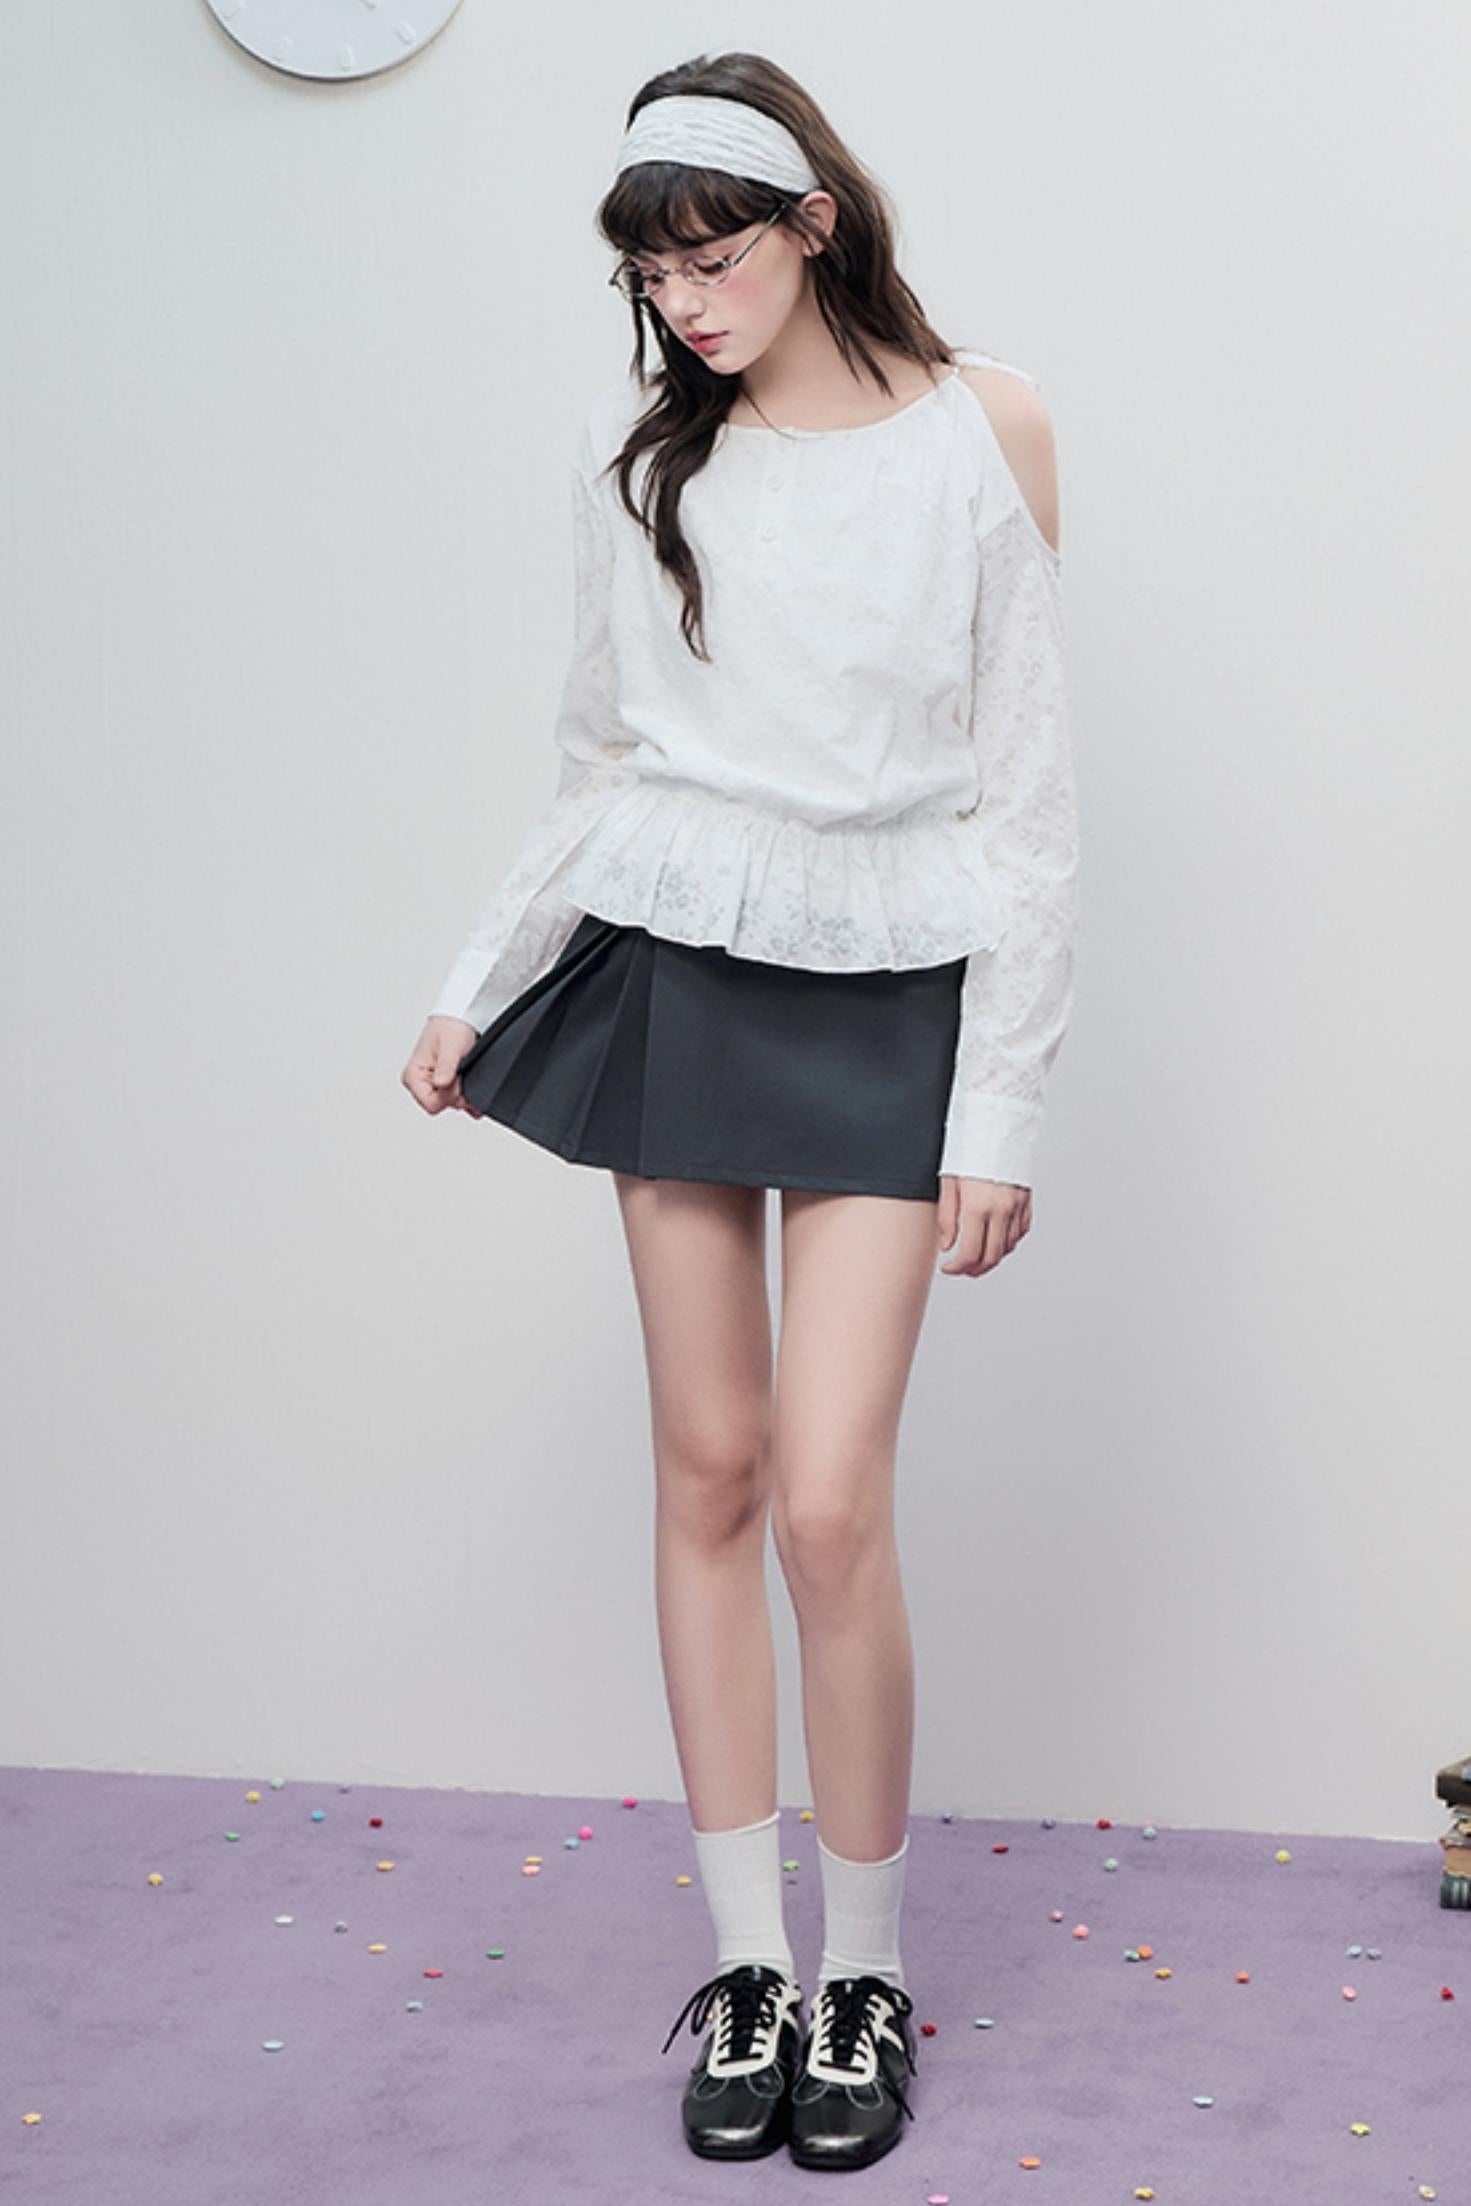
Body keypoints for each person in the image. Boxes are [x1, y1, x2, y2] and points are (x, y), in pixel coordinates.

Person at [400, 50, 1080, 2176]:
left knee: (825, 1499)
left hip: (892, 980)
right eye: (652, 273)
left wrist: (1002, 1104)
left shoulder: (987, 427)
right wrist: (476, 978)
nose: (684, 302)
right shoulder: (650, 469)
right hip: (679, 961)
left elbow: (1026, 798)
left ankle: (863, 1968)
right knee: (705, 1464)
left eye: (713, 256)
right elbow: (601, 760)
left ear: (811, 224)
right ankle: (751, 1967)